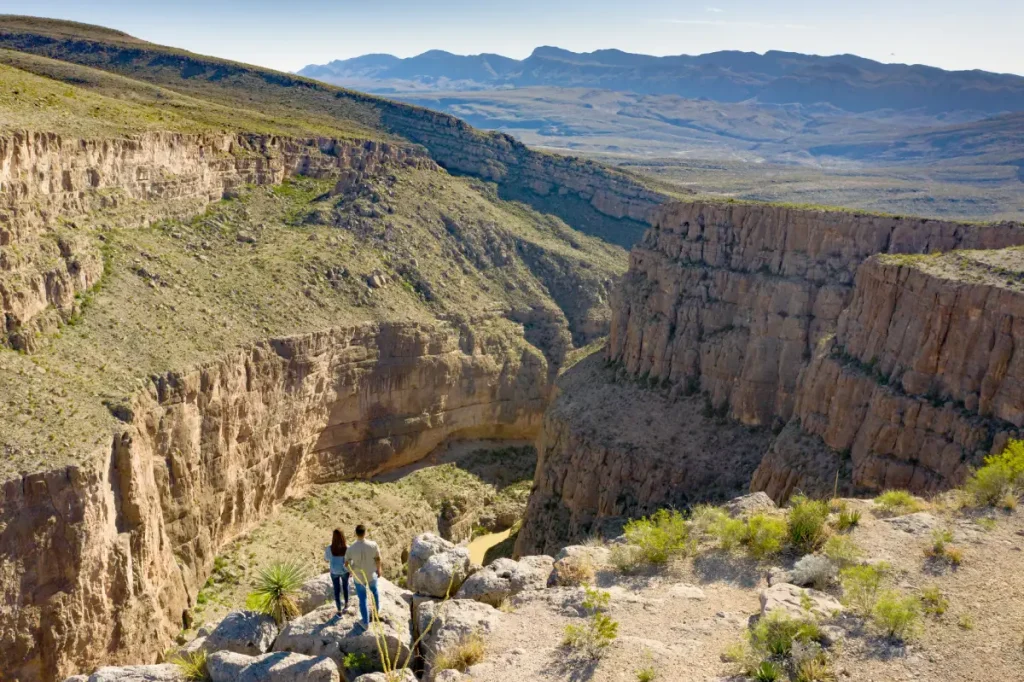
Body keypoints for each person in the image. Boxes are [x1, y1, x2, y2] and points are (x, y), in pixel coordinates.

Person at [345, 523, 382, 626]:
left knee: (362, 598)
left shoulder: (351, 548)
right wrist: (379, 570)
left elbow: (347, 563)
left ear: (356, 534)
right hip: (371, 575)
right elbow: (378, 559)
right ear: (365, 533)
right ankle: (376, 613)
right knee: (374, 592)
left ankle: (365, 622)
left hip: (359, 577)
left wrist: (351, 571)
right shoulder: (373, 545)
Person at [324, 529, 350, 616]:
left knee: (336, 590)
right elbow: (350, 560)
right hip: (344, 571)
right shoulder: (347, 548)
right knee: (345, 586)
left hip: (334, 571)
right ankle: (346, 604)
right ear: (343, 537)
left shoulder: (329, 548)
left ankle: (339, 610)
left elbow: (326, 559)